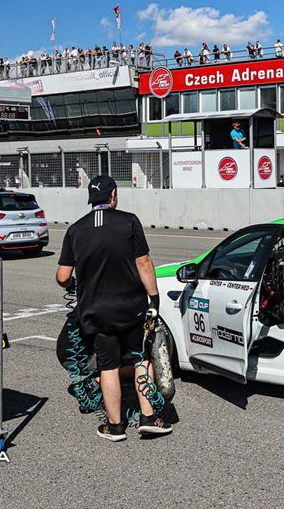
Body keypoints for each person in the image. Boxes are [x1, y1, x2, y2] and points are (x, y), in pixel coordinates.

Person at [55, 176, 171, 439]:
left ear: (90, 199)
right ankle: (149, 418)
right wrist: (153, 298)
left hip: (95, 312)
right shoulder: (129, 221)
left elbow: (62, 277)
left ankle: (115, 426)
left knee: (107, 367)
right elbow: (143, 262)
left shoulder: (75, 230)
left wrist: (73, 284)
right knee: (142, 358)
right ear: (113, 195)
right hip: (132, 307)